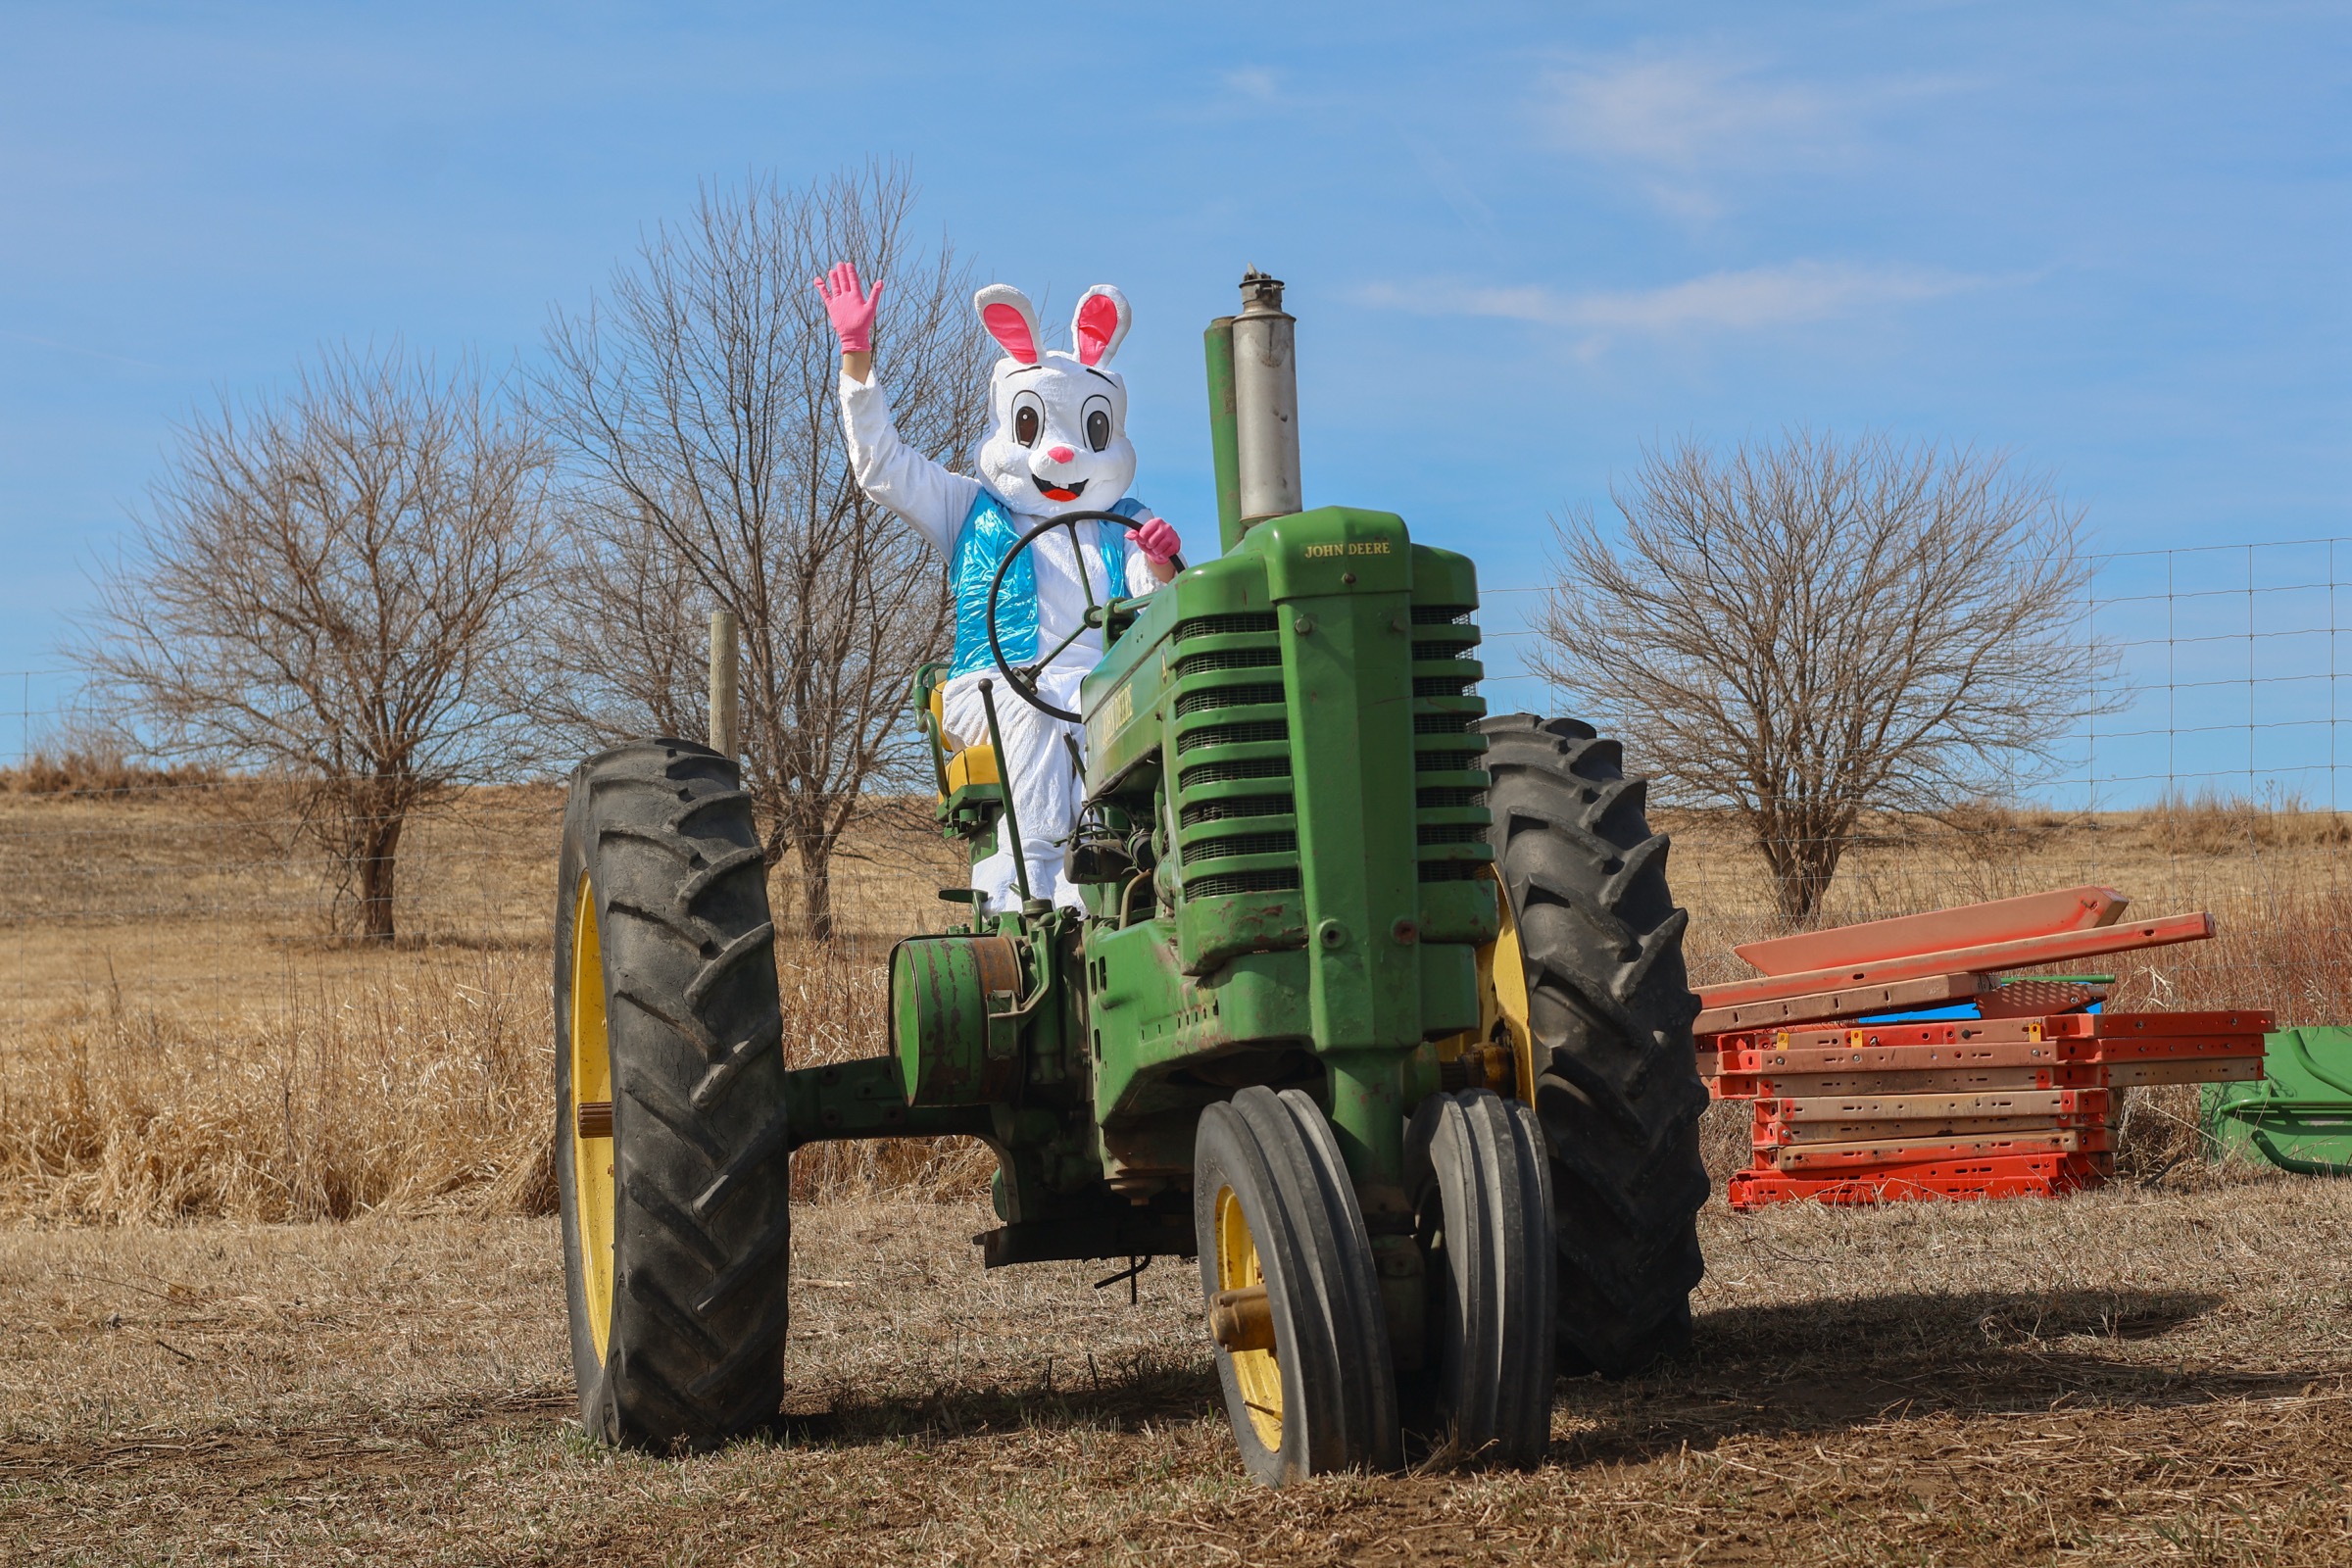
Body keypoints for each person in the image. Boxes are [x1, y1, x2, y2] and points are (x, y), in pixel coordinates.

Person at [819, 262, 1181, 912]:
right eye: (1038, 428)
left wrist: (1161, 564)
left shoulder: (1122, 523)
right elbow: (883, 470)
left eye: (1086, 433)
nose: (1063, 454)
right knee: (1041, 701)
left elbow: (1157, 602)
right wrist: (857, 359)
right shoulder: (970, 509)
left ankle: (1118, 880)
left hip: (1097, 693)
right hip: (993, 686)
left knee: (1100, 702)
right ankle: (1027, 891)